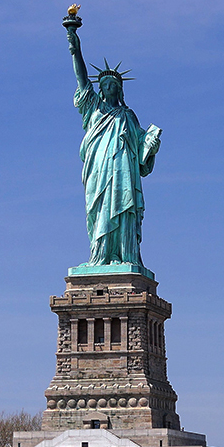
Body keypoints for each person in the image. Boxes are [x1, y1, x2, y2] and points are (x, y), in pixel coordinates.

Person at [66, 25, 161, 267]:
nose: (109, 88)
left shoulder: (128, 116)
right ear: (100, 88)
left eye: (113, 86)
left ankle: (126, 255)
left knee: (123, 206)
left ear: (119, 89)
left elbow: (142, 151)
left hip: (123, 173)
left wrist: (150, 144)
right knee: (99, 210)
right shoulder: (94, 108)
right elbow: (81, 77)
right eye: (105, 85)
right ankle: (99, 257)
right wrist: (75, 48)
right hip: (98, 169)